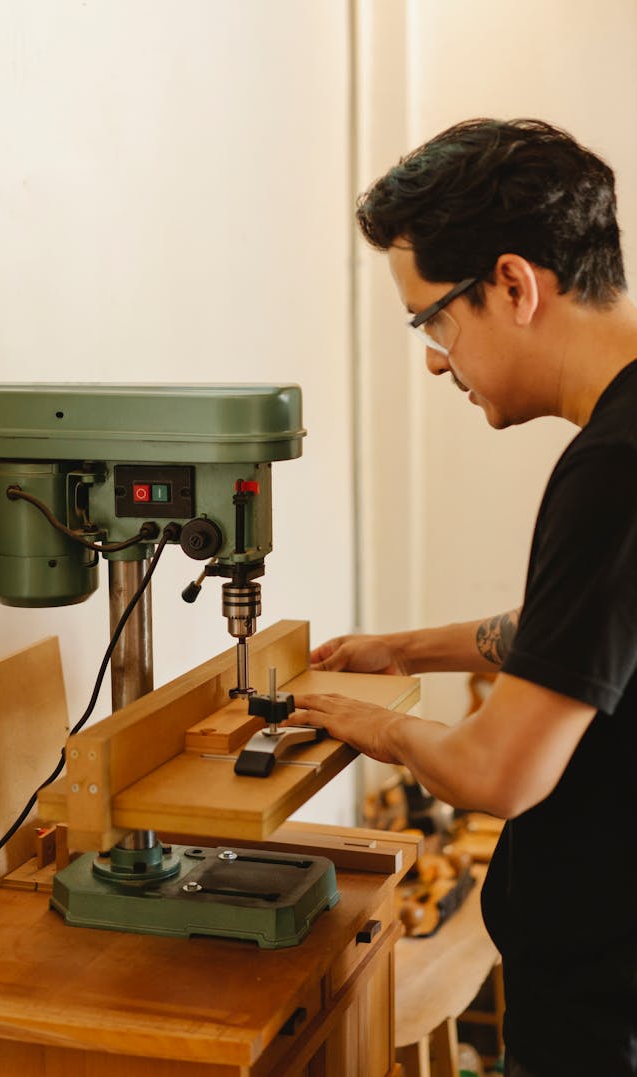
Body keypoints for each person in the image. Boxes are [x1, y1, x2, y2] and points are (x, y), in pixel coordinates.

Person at [292, 119, 637, 1077]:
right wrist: (407, 651)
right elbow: (583, 633)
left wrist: (367, 724)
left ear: (514, 285)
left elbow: (498, 774)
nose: (437, 359)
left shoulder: (614, 466)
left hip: (602, 1016)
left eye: (431, 319)